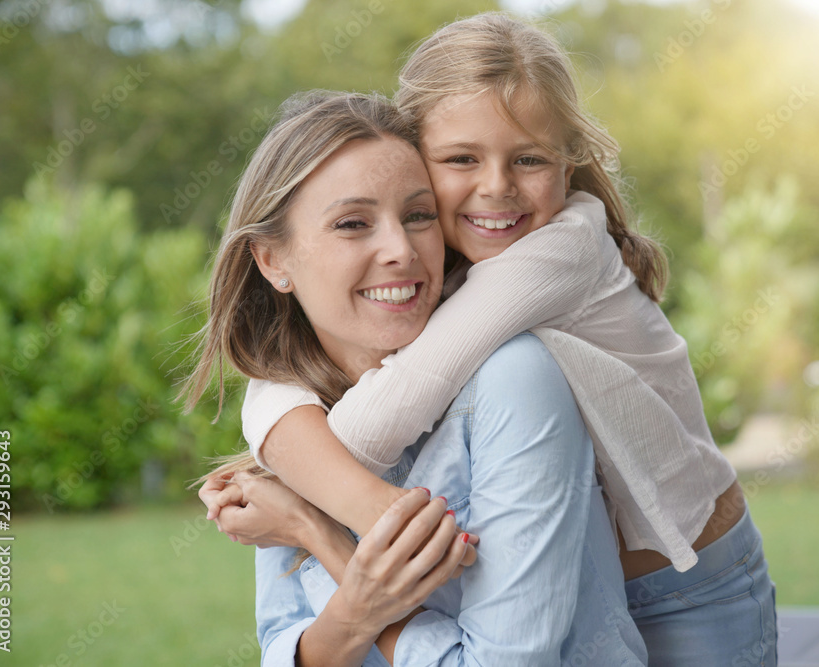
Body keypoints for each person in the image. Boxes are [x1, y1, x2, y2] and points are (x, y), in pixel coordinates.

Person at [217, 12, 777, 665]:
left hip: (692, 584)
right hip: (592, 591)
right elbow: (282, 383)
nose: (496, 187)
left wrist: (298, 494)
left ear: (568, 163)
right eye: (461, 159)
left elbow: (395, 400)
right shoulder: (438, 264)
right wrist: (282, 433)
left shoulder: (556, 252)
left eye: (529, 159)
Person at [187, 90, 648, 665]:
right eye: (353, 223)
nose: (400, 250)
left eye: (418, 215)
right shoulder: (297, 420)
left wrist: (315, 533)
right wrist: (343, 595)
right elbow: (285, 642)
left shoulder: (515, 377)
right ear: (272, 261)